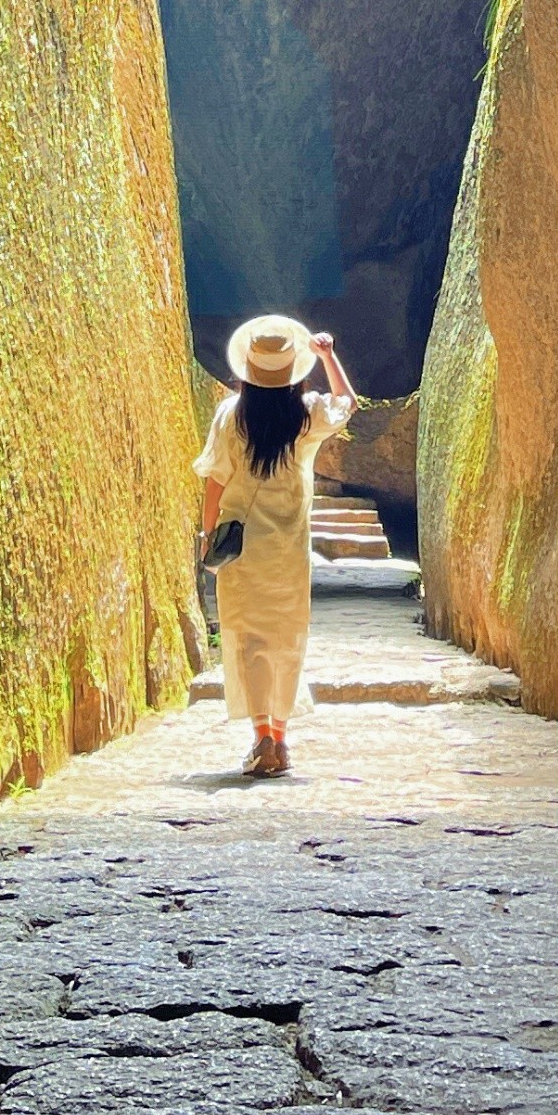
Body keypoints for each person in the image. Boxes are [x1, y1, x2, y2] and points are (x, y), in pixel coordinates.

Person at [195, 313, 358, 778]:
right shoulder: (306, 414)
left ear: (246, 369)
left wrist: (208, 537)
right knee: (286, 637)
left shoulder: (231, 415)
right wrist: (328, 355)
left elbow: (214, 482)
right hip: (288, 549)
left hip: (241, 546)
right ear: (294, 371)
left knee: (247, 638)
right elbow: (347, 402)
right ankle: (281, 740)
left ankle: (262, 736)